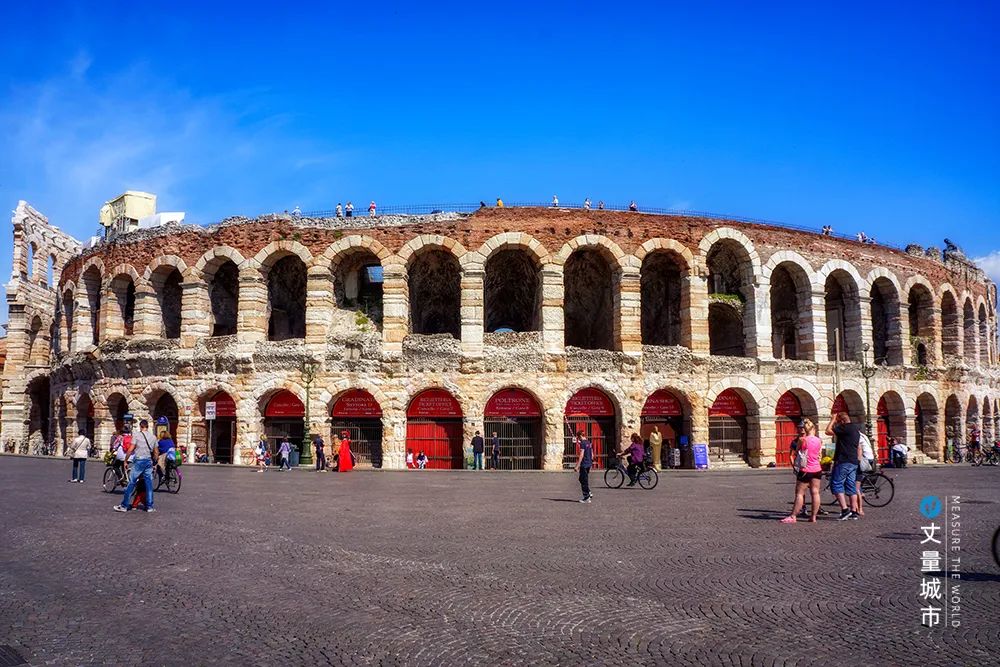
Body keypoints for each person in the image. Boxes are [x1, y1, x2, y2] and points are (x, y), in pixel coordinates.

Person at [780, 419, 824, 523]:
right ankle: (813, 517)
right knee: (815, 492)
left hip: (805, 469)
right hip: (817, 469)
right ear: (813, 429)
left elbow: (797, 451)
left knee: (799, 493)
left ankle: (793, 516)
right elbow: (819, 453)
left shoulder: (802, 440)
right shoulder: (819, 440)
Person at [113, 419, 158, 513]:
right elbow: (156, 452)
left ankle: (124, 505)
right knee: (149, 484)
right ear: (147, 426)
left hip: (139, 461)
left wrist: (126, 460)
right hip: (148, 461)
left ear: (141, 426)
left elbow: (130, 449)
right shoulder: (153, 437)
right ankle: (149, 507)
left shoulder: (137, 435)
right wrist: (155, 463)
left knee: (131, 483)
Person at [825, 412, 863, 521]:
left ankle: (845, 510)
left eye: (838, 422)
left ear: (842, 421)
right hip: (853, 461)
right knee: (851, 486)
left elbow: (827, 431)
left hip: (843, 460)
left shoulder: (844, 428)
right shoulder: (855, 429)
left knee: (836, 484)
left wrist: (832, 419)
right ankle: (853, 511)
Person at [854, 429, 876, 517]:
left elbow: (858, 448)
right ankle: (861, 492)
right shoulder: (863, 435)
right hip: (869, 457)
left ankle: (860, 495)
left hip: (864, 458)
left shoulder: (857, 436)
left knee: (856, 481)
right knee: (860, 478)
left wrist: (857, 460)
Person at [573, 430, 593, 503]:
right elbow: (592, 453)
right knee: (582, 479)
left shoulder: (583, 443)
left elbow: (581, 455)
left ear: (580, 436)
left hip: (584, 464)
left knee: (584, 481)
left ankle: (586, 497)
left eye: (578, 437)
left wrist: (577, 466)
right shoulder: (588, 442)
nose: (578, 439)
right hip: (588, 463)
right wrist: (591, 463)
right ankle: (589, 492)